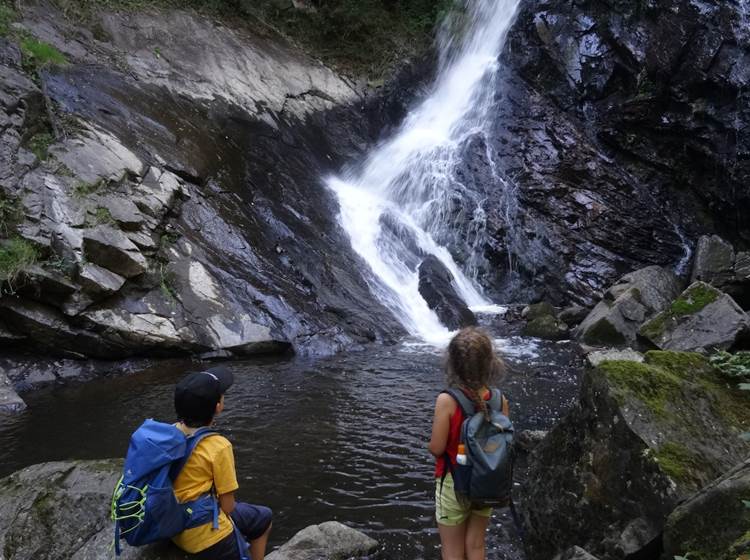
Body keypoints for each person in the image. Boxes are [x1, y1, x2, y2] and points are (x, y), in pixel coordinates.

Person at [172, 366, 273, 560]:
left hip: (172, 519)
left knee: (262, 515)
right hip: (203, 534)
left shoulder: (169, 433)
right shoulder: (218, 446)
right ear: (218, 406)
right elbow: (227, 507)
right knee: (263, 518)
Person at [428, 327, 510, 560]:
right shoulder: (498, 399)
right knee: (476, 546)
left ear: (452, 363)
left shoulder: (447, 400)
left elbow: (437, 448)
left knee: (452, 551)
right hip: (487, 481)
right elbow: (501, 443)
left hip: (454, 482)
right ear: (490, 363)